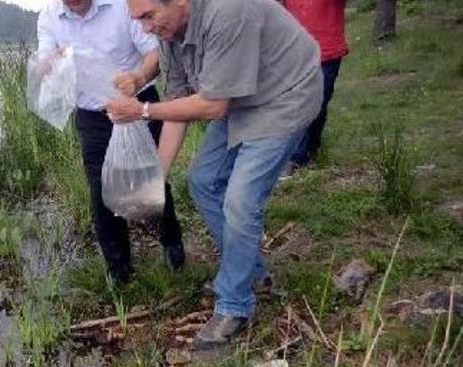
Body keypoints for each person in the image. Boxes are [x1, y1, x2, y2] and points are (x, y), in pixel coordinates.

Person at [107, 0, 322, 349]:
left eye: (148, 16)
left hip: (284, 96)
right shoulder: (170, 30)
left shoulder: (228, 11)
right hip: (239, 99)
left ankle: (235, 304)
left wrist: (142, 110)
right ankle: (251, 274)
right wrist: (156, 177)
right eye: (138, 20)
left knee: (241, 202)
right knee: (203, 182)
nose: (144, 28)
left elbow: (213, 105)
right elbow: (179, 101)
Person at [37, 0, 186, 284]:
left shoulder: (123, 6)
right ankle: (119, 268)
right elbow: (44, 61)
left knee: (152, 178)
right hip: (93, 115)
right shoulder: (49, 17)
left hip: (139, 104)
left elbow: (154, 53)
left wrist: (138, 76)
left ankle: (171, 240)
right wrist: (51, 63)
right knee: (101, 189)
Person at [284, 0, 349, 170]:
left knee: (317, 104)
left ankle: (308, 150)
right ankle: (297, 157)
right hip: (294, 52)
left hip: (327, 52)